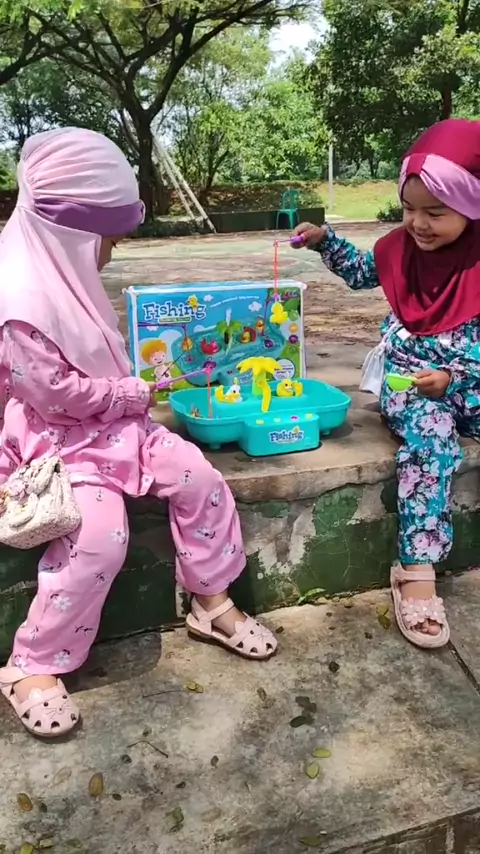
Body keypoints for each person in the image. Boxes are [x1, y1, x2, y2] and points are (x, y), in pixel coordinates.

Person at [0, 128, 277, 738]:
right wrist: (128, 393)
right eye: (109, 240)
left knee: (200, 478)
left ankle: (210, 598)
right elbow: (55, 397)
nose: (113, 252)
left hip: (123, 428)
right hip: (67, 446)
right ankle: (32, 664)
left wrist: (131, 394)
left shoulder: (59, 274)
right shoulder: (22, 304)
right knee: (99, 539)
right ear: (70, 234)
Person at [293, 118, 480, 650]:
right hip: (413, 384)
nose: (418, 224)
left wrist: (458, 378)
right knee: (431, 437)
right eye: (408, 209)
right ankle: (416, 569)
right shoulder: (401, 249)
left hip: (470, 383)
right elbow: (360, 271)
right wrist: (326, 242)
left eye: (436, 212)